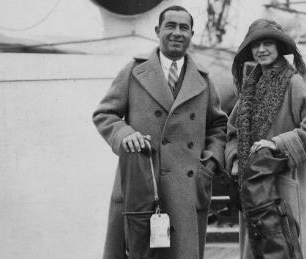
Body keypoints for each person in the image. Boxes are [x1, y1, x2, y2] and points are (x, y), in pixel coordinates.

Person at [93, 5, 227, 259]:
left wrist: (208, 164)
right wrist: (124, 135)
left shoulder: (203, 79)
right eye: (171, 26)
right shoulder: (134, 71)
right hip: (142, 188)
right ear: (158, 31)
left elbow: (219, 126)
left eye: (184, 28)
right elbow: (104, 114)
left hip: (187, 191)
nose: (177, 33)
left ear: (191, 34)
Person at [225, 19, 306, 259]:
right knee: (258, 248)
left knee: (287, 245)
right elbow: (232, 132)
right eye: (256, 44)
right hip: (252, 184)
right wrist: (236, 159)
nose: (261, 50)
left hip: (285, 181)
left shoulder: (293, 83)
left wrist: (277, 143)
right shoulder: (250, 88)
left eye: (267, 43)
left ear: (279, 47)